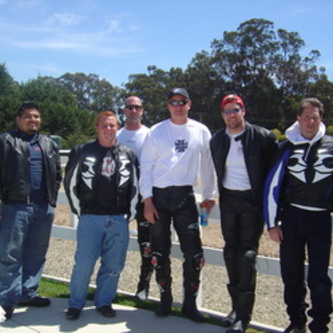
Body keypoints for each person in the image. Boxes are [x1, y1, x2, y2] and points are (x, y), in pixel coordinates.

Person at [139, 88, 216, 322]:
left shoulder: (200, 130)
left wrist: (210, 195)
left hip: (185, 196)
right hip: (159, 198)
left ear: (189, 104)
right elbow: (146, 167)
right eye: (174, 102)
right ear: (168, 105)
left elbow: (208, 165)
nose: (178, 106)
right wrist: (147, 201)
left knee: (194, 255)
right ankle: (165, 301)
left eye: (182, 102)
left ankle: (190, 306)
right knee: (159, 253)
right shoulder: (156, 131)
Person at [210, 94, 278, 333]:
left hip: (252, 202)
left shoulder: (262, 137)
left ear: (243, 110)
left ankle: (244, 316)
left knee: (246, 256)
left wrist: (274, 210)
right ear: (222, 114)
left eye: (235, 109)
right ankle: (234, 308)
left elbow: (275, 173)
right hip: (229, 200)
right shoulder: (217, 139)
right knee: (230, 253)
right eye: (227, 111)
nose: (231, 114)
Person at [263, 98, 332, 333]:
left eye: (315, 117)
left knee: (319, 276)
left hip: (321, 219)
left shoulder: (331, 146)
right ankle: (296, 321)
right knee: (291, 273)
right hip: (292, 219)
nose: (310, 121)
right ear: (298, 118)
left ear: (320, 118)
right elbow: (272, 185)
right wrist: (272, 224)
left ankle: (320, 325)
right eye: (306, 117)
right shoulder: (288, 147)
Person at [64, 111, 139, 320]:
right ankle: (75, 304)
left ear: (118, 128)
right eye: (105, 126)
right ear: (97, 128)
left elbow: (135, 185)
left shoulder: (127, 154)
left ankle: (104, 301)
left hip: (118, 219)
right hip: (91, 218)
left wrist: (128, 214)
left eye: (113, 126)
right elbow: (70, 184)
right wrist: (81, 212)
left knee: (114, 265)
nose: (109, 129)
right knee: (84, 264)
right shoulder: (82, 151)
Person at [0, 101, 62, 320]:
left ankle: (29, 293)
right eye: (28, 116)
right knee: (10, 253)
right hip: (14, 206)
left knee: (37, 253)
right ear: (18, 119)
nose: (33, 120)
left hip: (43, 208)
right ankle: (7, 299)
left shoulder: (47, 143)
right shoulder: (5, 141)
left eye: (36, 116)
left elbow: (56, 175)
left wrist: (51, 201)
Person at [117, 96, 154, 300]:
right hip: (119, 198)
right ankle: (109, 283)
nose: (133, 111)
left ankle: (143, 285)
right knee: (114, 240)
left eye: (137, 107)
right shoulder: (116, 134)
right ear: (124, 110)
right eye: (130, 107)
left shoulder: (150, 134)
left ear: (142, 110)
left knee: (146, 243)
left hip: (143, 197)